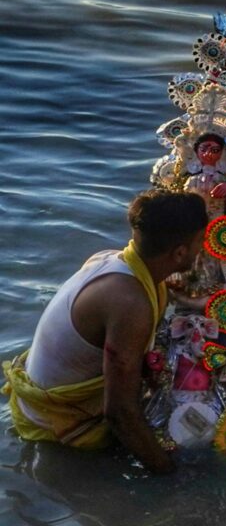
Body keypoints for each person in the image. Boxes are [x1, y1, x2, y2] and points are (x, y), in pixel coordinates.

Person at [2, 189, 208, 474]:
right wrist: (169, 473)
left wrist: (190, 301)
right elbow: (120, 413)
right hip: (57, 428)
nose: (203, 248)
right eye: (201, 240)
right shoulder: (129, 303)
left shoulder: (113, 260)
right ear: (181, 252)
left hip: (38, 402)